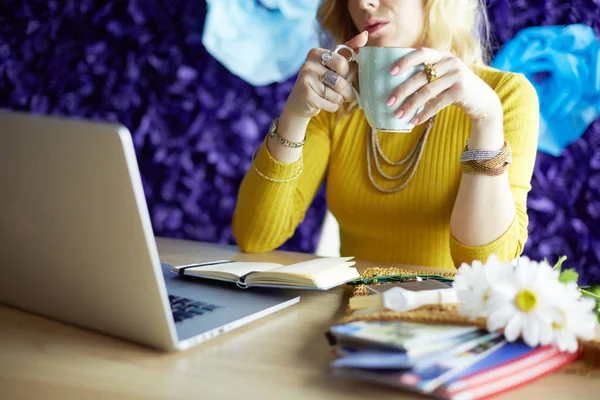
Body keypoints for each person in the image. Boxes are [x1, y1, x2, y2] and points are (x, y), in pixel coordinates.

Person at [232, 0, 539, 270]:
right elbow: (255, 236)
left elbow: (487, 265)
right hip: (353, 318)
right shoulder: (336, 97)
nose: (363, 3)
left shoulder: (502, 97)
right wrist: (295, 115)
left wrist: (486, 121)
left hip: (451, 324)